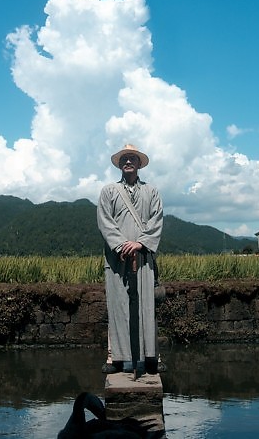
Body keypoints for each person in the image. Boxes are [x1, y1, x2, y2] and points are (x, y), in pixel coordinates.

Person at [97, 144, 163, 375]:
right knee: (117, 306)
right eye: (124, 158)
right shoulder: (108, 191)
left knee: (147, 305)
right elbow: (105, 221)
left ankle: (151, 357)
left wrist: (140, 243)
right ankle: (115, 358)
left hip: (143, 256)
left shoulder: (151, 192)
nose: (128, 162)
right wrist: (122, 245)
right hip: (117, 258)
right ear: (119, 164)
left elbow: (157, 219)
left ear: (138, 164)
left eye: (132, 158)